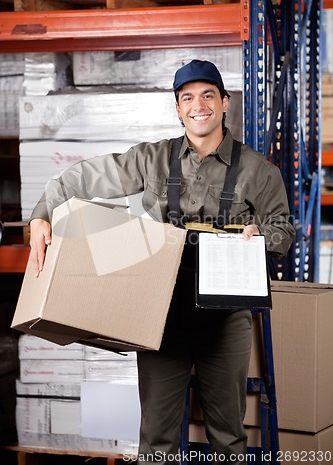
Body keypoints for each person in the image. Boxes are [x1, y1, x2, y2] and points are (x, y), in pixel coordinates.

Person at [29, 59, 295, 464]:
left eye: (208, 95)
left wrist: (262, 236)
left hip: (227, 315)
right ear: (177, 108)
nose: (198, 105)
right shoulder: (151, 160)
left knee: (228, 434)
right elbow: (79, 178)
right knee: (156, 437)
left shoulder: (259, 170)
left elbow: (285, 230)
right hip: (162, 311)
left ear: (225, 103)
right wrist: (41, 213)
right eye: (187, 97)